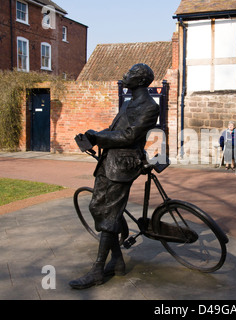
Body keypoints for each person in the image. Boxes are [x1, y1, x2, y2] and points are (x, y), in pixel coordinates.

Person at [69, 64, 160, 290]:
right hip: (109, 161)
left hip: (123, 165)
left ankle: (98, 269)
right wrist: (94, 135)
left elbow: (130, 136)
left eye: (129, 74)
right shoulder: (129, 102)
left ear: (139, 81)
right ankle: (117, 261)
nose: (124, 75)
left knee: (108, 211)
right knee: (99, 208)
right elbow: (115, 130)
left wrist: (99, 137)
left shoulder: (149, 107)